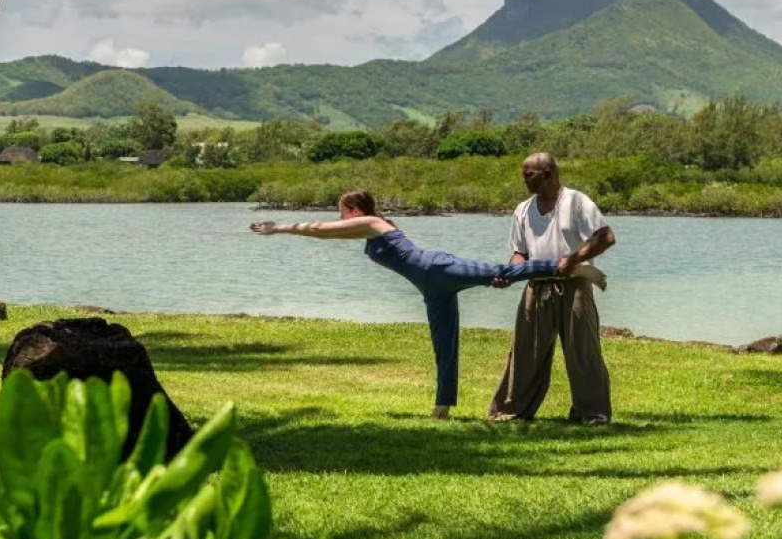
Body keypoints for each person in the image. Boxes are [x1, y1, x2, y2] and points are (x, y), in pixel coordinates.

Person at [250, 189, 591, 419]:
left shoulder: (371, 222)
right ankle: (442, 409)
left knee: (500, 272)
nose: (338, 216)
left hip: (436, 268)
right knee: (445, 346)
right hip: (430, 287)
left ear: (353, 209)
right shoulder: (367, 228)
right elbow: (330, 232)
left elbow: (321, 229)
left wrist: (277, 227)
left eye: (341, 210)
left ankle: (573, 266)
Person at [489, 152, 617, 425]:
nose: (523, 179)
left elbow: (605, 237)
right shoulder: (523, 210)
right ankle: (513, 410)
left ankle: (592, 413)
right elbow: (519, 252)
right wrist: (511, 273)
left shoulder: (576, 202)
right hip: (537, 287)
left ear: (548, 173)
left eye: (528, 174)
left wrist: (573, 259)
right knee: (525, 352)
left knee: (583, 351)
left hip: (575, 285)